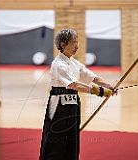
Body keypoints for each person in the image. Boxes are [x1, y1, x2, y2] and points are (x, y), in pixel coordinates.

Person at [39, 28, 115, 160]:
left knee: (72, 137)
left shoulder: (74, 63)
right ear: (63, 45)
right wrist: (101, 92)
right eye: (73, 42)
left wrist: (109, 86)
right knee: (54, 138)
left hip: (73, 103)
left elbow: (92, 77)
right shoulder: (58, 64)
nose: (77, 46)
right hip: (57, 103)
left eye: (77, 42)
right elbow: (75, 85)